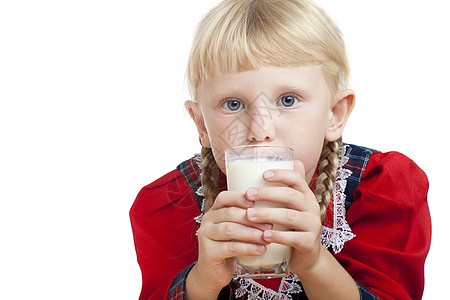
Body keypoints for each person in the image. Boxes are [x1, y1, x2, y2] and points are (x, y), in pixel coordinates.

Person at [130, 0, 431, 299]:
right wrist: (201, 284)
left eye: (288, 100)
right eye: (233, 104)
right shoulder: (168, 207)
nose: (260, 131)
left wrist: (315, 264)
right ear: (202, 125)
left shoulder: (382, 188)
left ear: (335, 114)